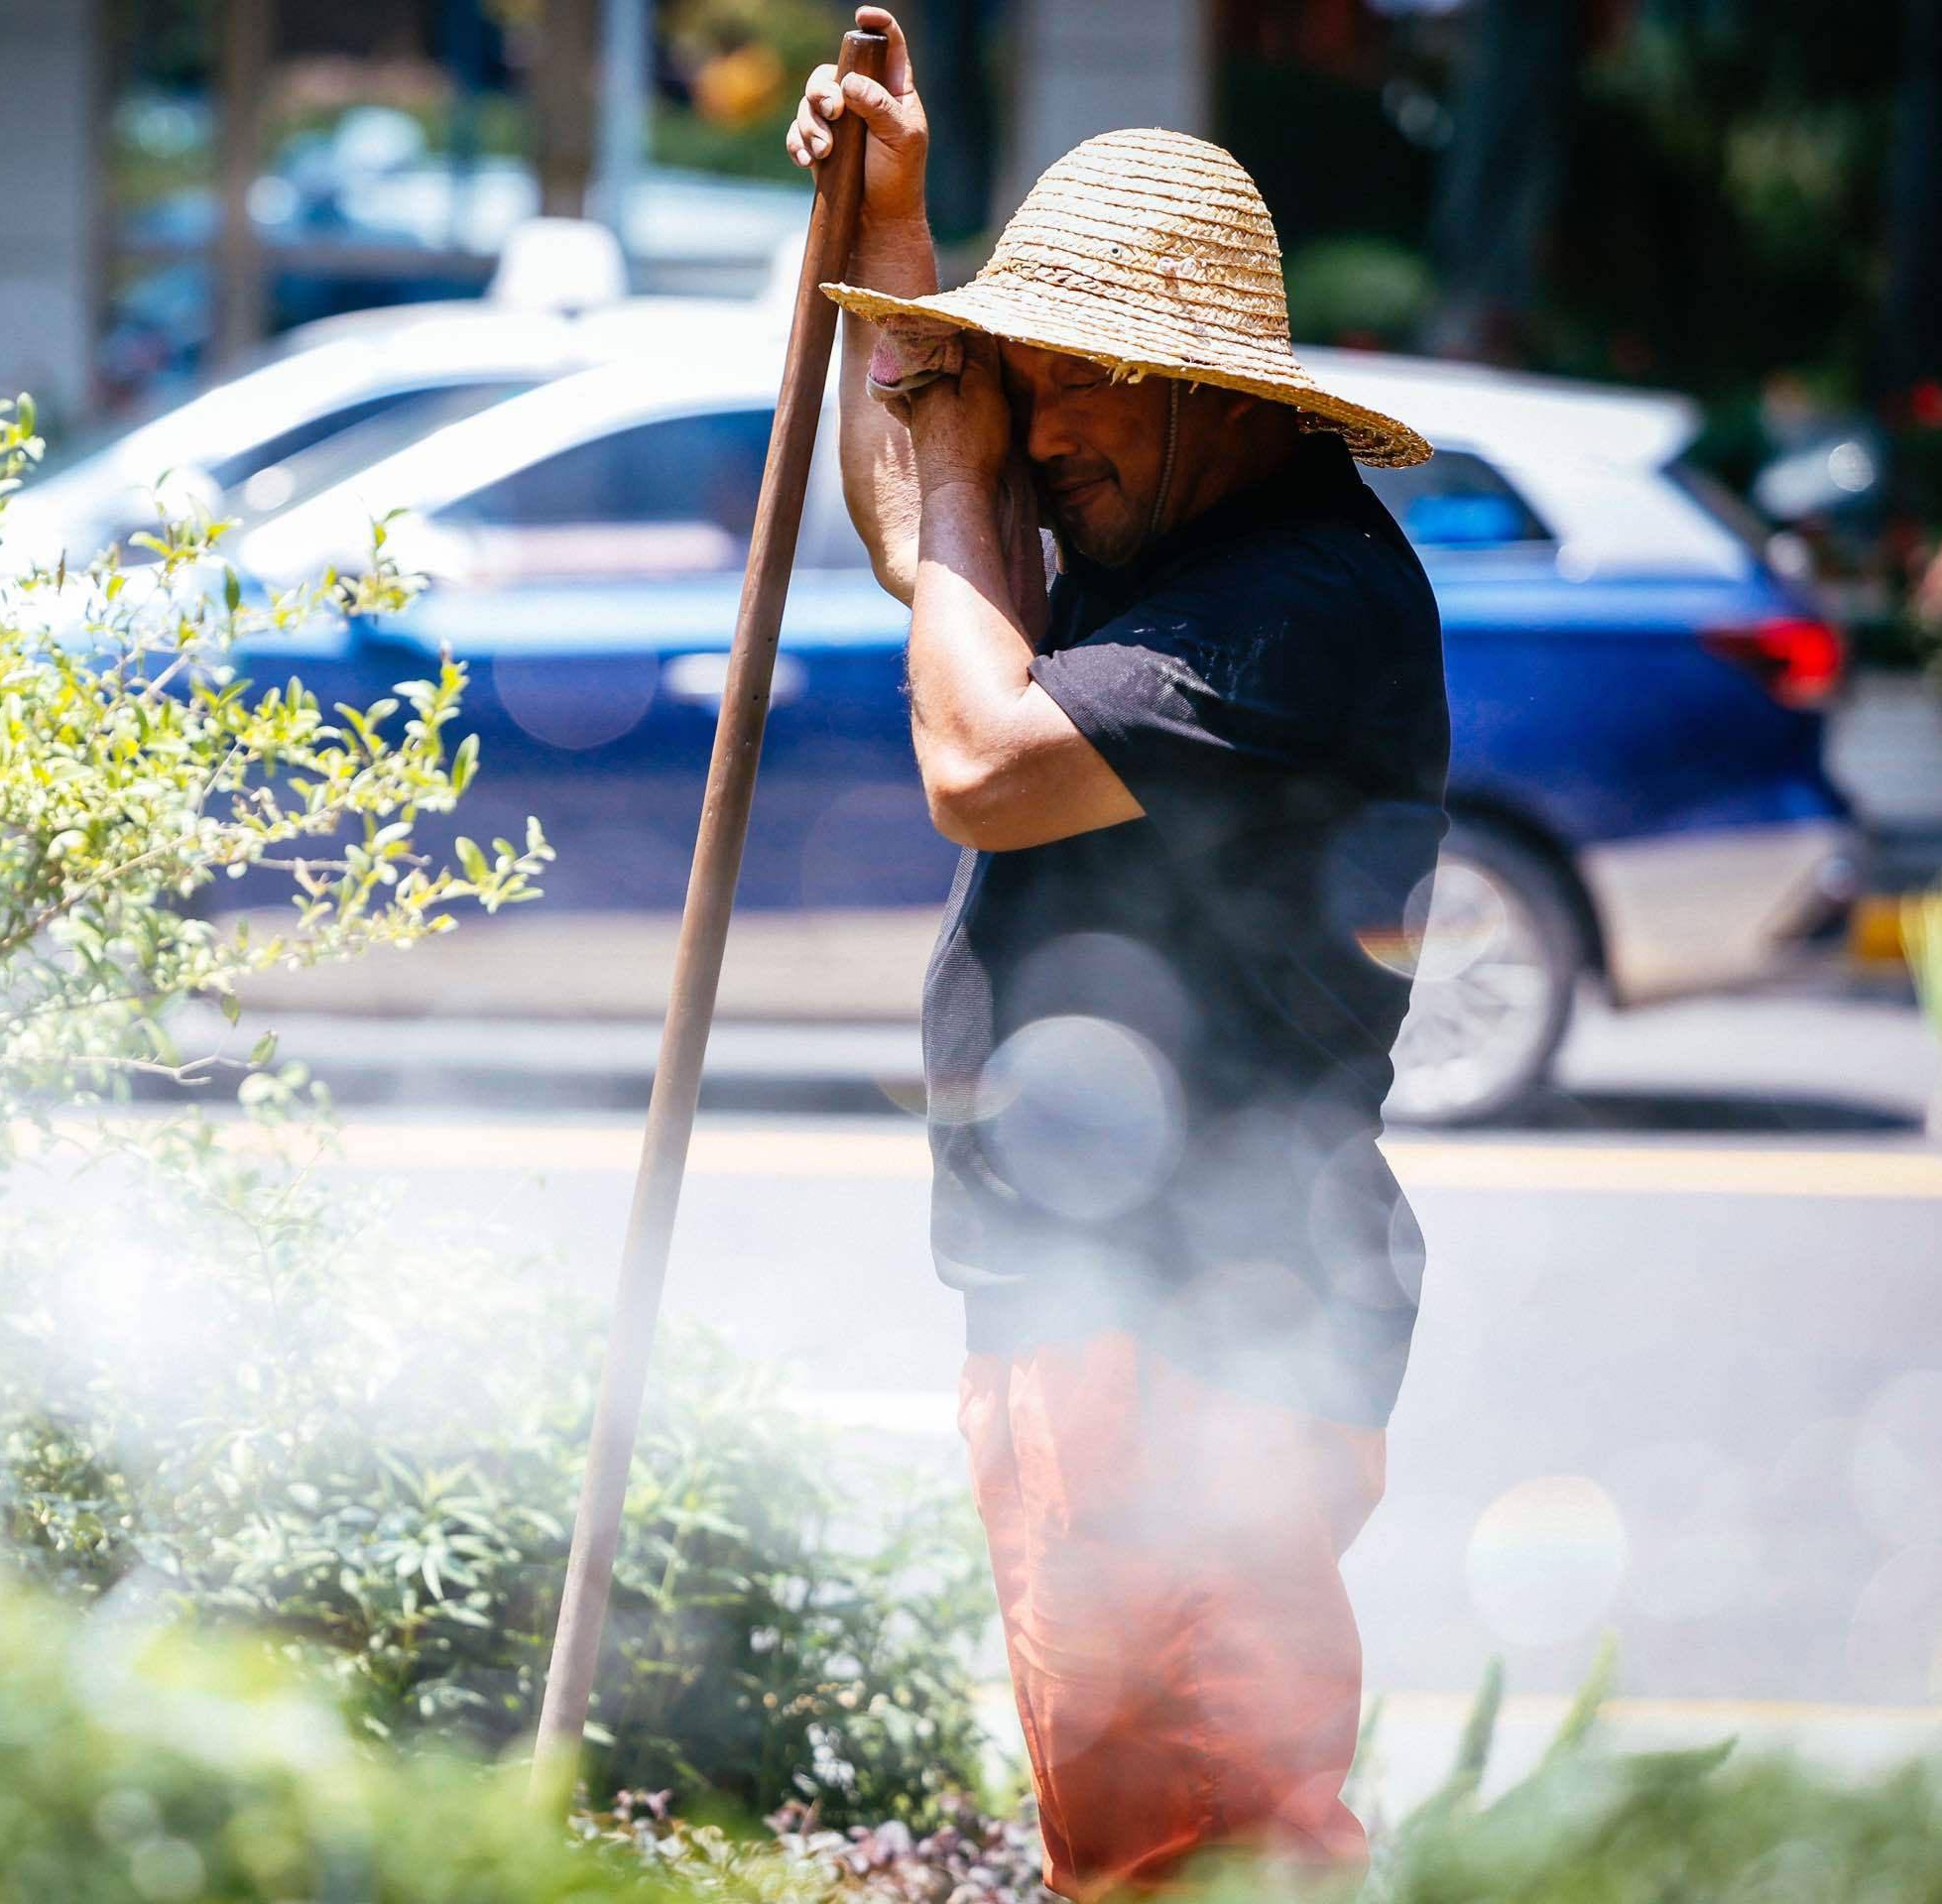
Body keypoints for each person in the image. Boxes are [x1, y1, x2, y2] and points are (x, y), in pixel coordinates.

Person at [787, 11, 1451, 1894]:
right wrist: (894, 255)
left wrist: (955, 425)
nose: (1042, 427)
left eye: (1079, 387)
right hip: (1109, 1301)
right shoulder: (1152, 527)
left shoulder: (1291, 604)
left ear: (1211, 394)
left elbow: (980, 762)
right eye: (1032, 384)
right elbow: (937, 547)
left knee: (1200, 1848)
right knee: (1141, 1832)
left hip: (1194, 1313)